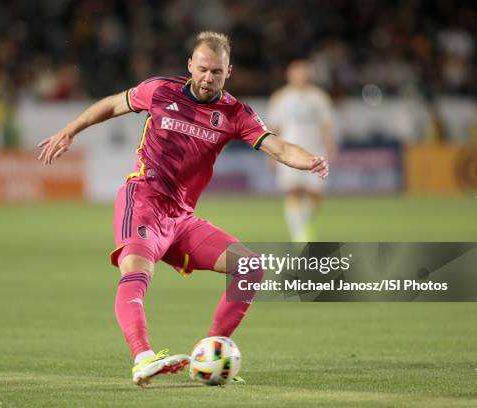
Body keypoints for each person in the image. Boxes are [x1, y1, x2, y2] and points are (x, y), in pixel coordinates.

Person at [38, 32, 329, 386]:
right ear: (190, 65)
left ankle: (206, 355)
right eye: (203, 69)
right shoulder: (160, 90)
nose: (208, 78)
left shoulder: (235, 113)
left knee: (250, 267)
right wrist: (70, 130)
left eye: (217, 73)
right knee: (136, 272)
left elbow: (279, 148)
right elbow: (113, 104)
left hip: (181, 218)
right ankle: (143, 357)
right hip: (143, 199)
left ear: (228, 72)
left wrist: (309, 160)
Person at [267, 60, 337, 242]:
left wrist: (330, 147)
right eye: (296, 73)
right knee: (293, 191)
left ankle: (302, 224)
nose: (300, 76)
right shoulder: (281, 97)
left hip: (315, 151)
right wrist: (271, 154)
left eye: (303, 72)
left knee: (315, 194)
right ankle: (299, 235)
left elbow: (326, 125)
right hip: (288, 152)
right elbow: (274, 128)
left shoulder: (318, 97)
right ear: (289, 75)